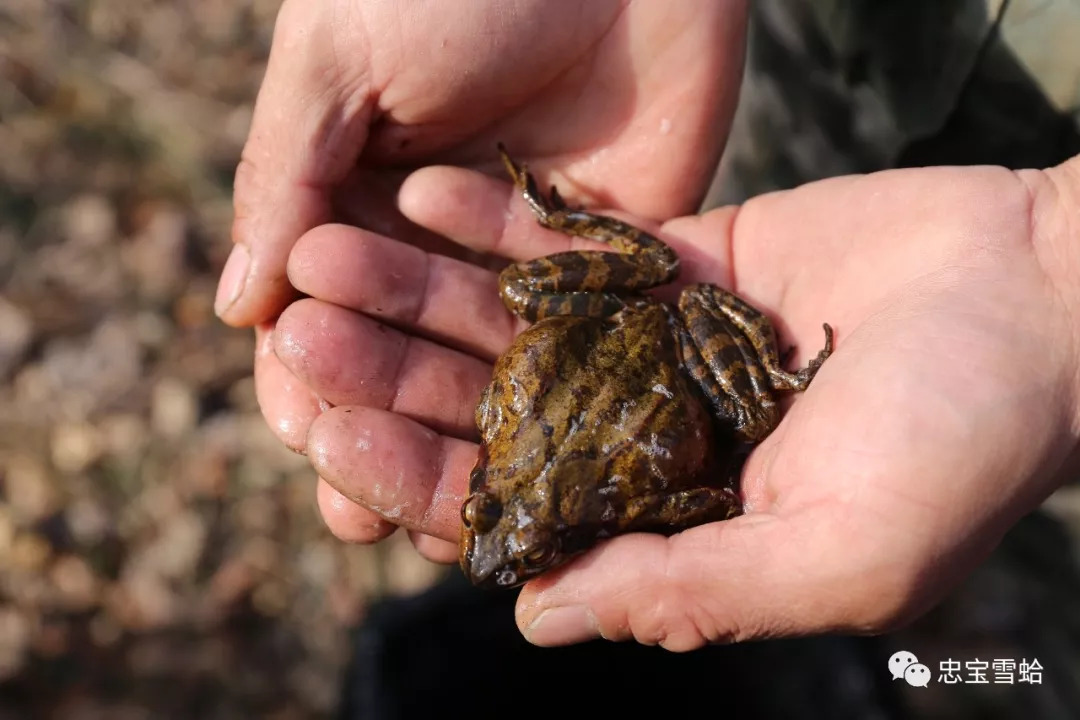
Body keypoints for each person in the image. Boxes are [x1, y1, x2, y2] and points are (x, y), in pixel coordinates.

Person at [214, 0, 1080, 653]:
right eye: (497, 520)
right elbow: (692, 491)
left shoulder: (591, 488)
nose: (495, 549)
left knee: (750, 416)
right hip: (811, 84)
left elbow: (712, 499)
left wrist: (1053, 267)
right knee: (545, 299)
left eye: (489, 518)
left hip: (670, 342)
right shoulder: (540, 458)